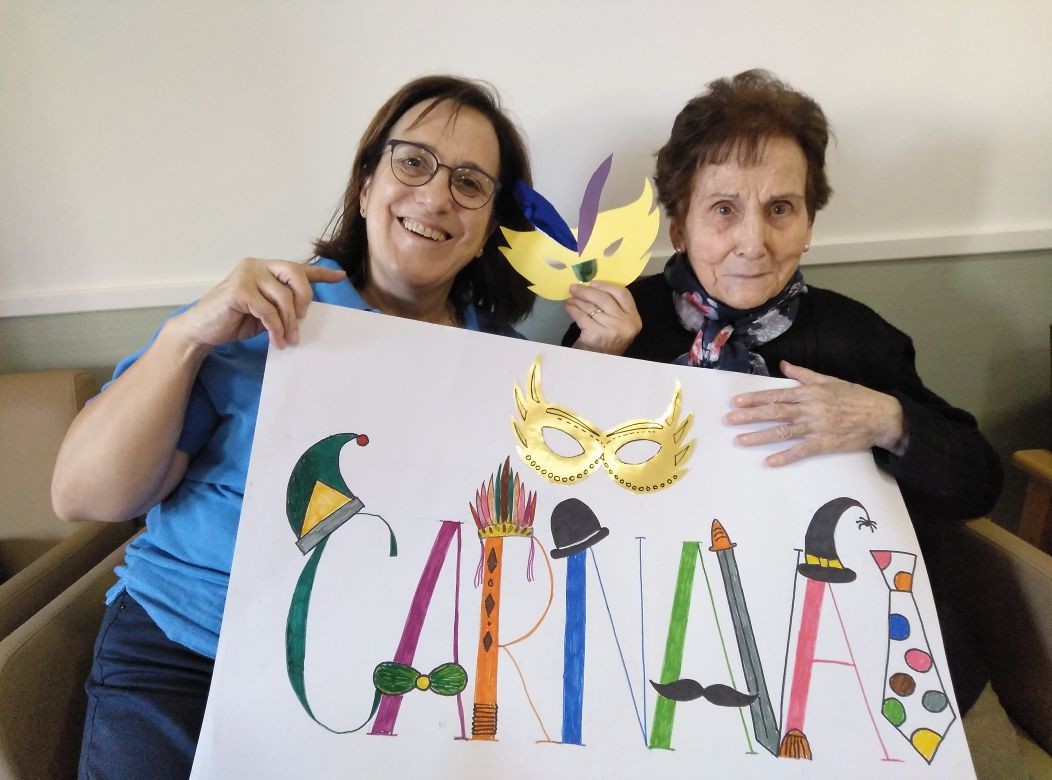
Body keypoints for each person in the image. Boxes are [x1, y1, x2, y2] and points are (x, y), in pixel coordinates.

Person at [52, 75, 539, 779]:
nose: (436, 196)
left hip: (383, 681)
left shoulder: (510, 369)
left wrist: (602, 369)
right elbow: (83, 496)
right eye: (413, 162)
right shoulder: (261, 312)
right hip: (191, 653)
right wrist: (187, 339)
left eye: (469, 183)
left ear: (490, 227)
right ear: (366, 185)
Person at [563, 69, 1003, 711]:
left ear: (807, 223)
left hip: (826, 624)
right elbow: (544, 481)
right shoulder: (623, 322)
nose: (754, 243)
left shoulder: (860, 337)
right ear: (679, 227)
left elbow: (979, 485)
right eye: (723, 209)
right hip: (657, 612)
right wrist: (592, 362)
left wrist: (889, 419)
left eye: (780, 209)